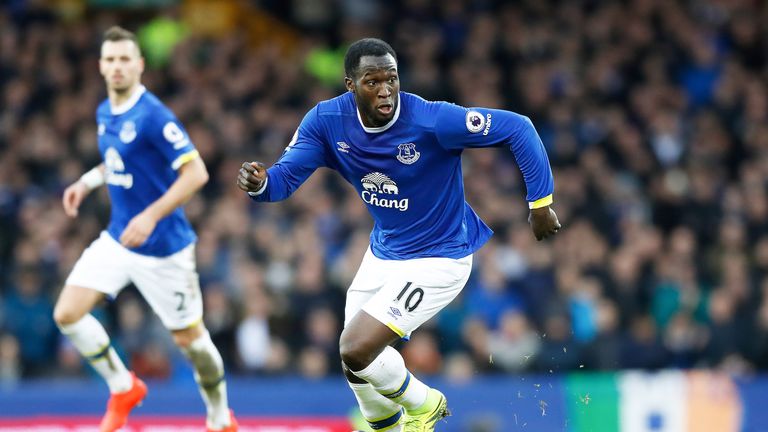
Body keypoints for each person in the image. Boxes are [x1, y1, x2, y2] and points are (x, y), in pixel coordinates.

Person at [237, 38, 560, 432]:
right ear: (350, 85)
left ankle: (425, 405)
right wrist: (260, 182)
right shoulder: (326, 122)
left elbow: (518, 127)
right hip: (385, 253)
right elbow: (282, 182)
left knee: (355, 347)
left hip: (441, 258)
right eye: (372, 81)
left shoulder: (431, 121)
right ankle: (386, 426)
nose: (386, 89)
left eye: (392, 78)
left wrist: (540, 203)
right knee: (355, 363)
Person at [53, 26, 237, 432]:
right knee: (67, 313)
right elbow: (117, 160)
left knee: (191, 342)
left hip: (164, 249)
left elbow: (196, 173)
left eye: (125, 59)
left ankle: (220, 415)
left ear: (139, 65)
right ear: (101, 66)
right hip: (119, 238)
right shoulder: (105, 111)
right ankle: (123, 386)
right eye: (110, 59)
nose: (117, 67)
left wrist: (151, 214)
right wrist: (87, 182)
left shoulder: (154, 116)